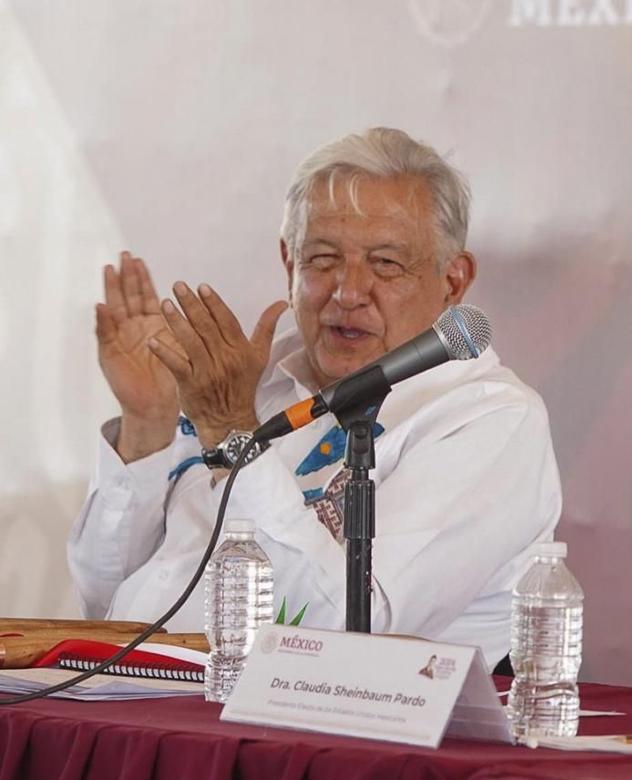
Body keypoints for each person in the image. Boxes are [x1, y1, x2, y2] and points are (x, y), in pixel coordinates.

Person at [68, 128, 562, 670]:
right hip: (136, 698)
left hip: (327, 736)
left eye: (386, 264)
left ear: (454, 279)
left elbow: (339, 635)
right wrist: (148, 424)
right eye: (323, 259)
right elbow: (107, 598)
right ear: (288, 263)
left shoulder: (488, 419)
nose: (348, 293)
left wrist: (232, 430)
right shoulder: (251, 378)